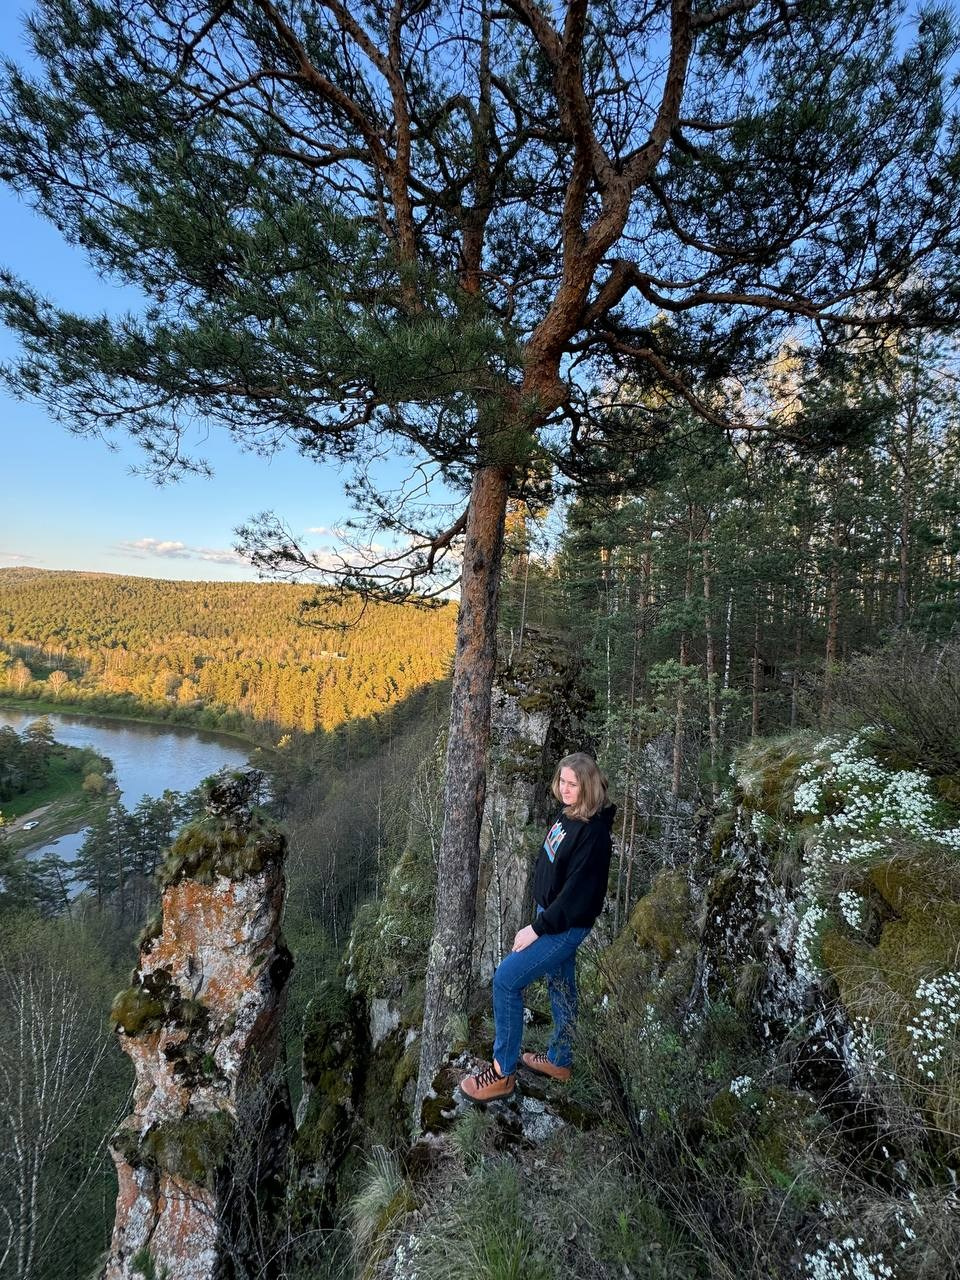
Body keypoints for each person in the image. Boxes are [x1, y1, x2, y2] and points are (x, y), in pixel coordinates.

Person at [459, 751, 615, 1104]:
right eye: (562, 781)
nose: (564, 788)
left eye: (572, 783)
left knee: (506, 980)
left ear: (588, 786)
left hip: (562, 925)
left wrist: (538, 928)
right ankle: (560, 1060)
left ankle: (502, 1073)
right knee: (560, 985)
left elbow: (575, 897)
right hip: (551, 916)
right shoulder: (571, 814)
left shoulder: (593, 836)